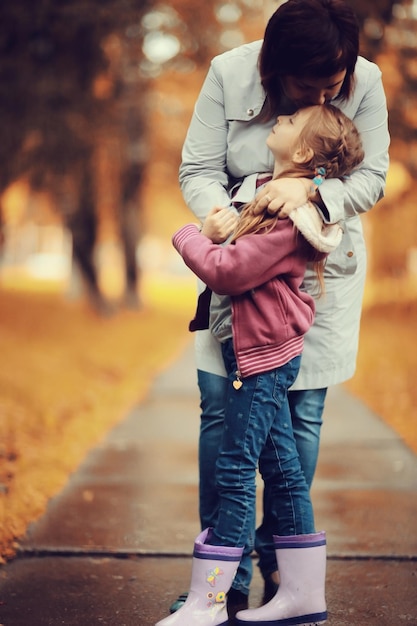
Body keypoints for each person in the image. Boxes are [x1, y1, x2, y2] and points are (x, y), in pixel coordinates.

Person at [171, 0, 390, 616]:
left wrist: (310, 189)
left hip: (318, 278)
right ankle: (226, 577)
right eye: (310, 85)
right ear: (273, 70)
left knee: (299, 419)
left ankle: (286, 571)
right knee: (221, 412)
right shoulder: (227, 73)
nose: (327, 93)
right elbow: (197, 168)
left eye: (335, 81)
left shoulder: (365, 81)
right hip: (238, 266)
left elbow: (371, 179)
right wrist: (232, 216)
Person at [155, 103, 364, 626]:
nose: (281, 119)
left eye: (291, 123)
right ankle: (301, 597)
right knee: (282, 470)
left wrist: (190, 235)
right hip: (259, 353)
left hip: (264, 359)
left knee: (234, 469)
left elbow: (227, 271)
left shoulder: (291, 220)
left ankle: (210, 601)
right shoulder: (264, 196)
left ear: (300, 153)